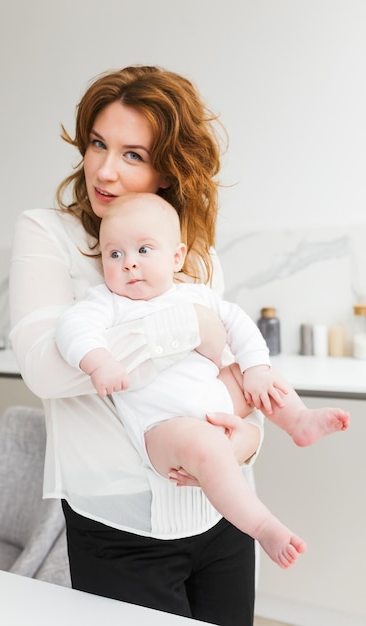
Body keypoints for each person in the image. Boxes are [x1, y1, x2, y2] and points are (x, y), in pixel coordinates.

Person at [9, 65, 287, 625]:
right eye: (97, 144)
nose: (105, 170)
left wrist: (248, 443)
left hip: (224, 516)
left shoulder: (195, 255)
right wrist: (187, 328)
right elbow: (46, 368)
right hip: (120, 528)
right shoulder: (49, 234)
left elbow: (229, 385)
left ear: (168, 170)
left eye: (133, 154)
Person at [55, 192, 350, 568]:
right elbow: (72, 328)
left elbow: (239, 325)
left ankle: (298, 420)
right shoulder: (108, 303)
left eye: (144, 250)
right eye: (115, 254)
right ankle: (262, 526)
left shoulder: (195, 295)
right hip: (165, 426)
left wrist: (257, 367)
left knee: (254, 374)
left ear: (176, 257)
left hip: (216, 393)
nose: (129, 264)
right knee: (208, 448)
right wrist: (98, 362)